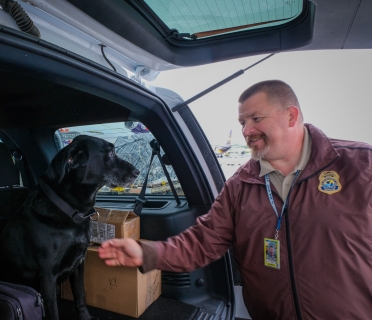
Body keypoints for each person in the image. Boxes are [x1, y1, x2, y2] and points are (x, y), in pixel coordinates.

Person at [98, 80, 372, 320]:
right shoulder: (241, 183)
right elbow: (204, 241)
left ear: (291, 116)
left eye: (256, 118)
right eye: (242, 122)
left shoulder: (361, 165)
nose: (246, 130)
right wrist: (148, 253)